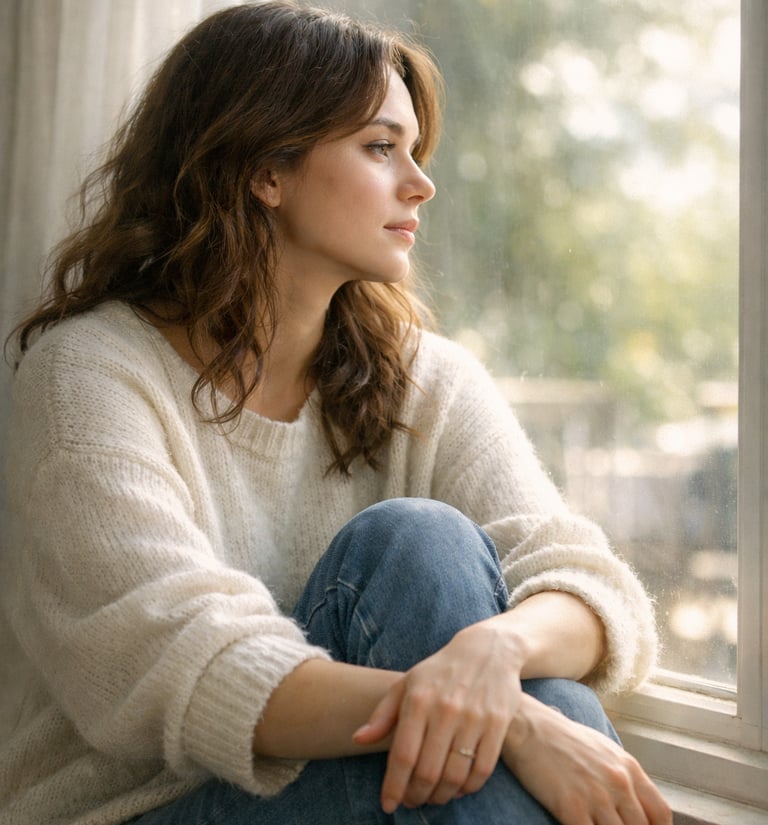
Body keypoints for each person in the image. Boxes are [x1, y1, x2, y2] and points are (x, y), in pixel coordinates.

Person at [0, 2, 672, 823]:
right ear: (266, 169)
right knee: (496, 711)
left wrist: (492, 653)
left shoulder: (424, 378)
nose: (420, 182)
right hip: (141, 806)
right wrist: (517, 720)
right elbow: (192, 661)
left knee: (423, 542)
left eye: (415, 151)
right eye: (381, 147)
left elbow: (591, 589)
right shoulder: (87, 378)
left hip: (358, 782)